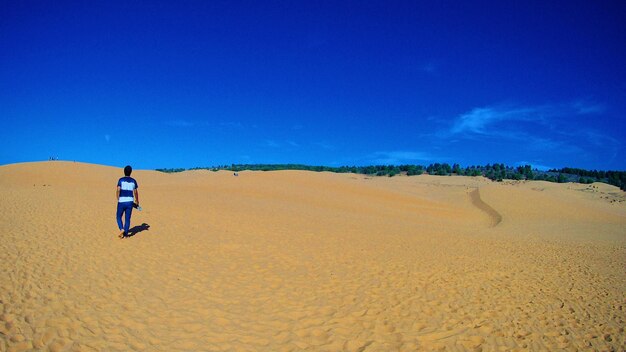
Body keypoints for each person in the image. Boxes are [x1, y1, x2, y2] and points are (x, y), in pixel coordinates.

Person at [116, 165, 139, 239]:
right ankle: (125, 234)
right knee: (127, 218)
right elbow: (135, 192)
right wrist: (137, 201)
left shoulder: (121, 180)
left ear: (124, 171)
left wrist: (118, 198)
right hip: (130, 201)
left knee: (118, 216)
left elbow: (118, 190)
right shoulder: (133, 181)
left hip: (121, 201)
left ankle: (121, 229)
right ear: (131, 172)